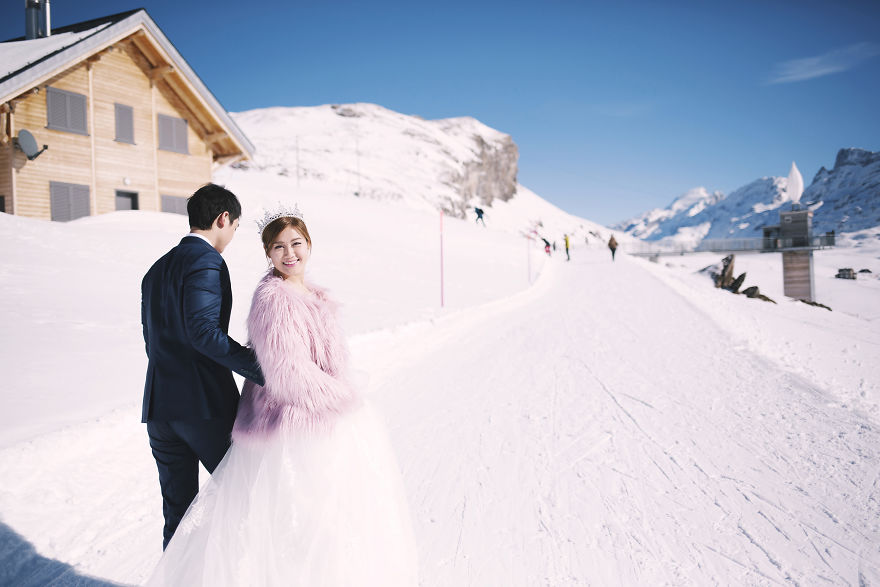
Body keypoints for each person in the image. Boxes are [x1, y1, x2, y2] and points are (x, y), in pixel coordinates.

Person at [145, 204, 418, 586]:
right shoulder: (274, 298)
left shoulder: (314, 294)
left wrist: (339, 391)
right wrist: (344, 399)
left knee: (333, 522)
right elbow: (288, 373)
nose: (289, 254)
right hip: (291, 424)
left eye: (296, 243)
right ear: (268, 254)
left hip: (317, 417)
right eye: (278, 247)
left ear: (309, 245)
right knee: (298, 523)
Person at [141, 183, 264, 550]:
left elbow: (153, 343)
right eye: (235, 228)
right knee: (245, 501)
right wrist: (266, 369)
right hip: (204, 408)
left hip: (160, 408)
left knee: (177, 518)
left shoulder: (156, 269)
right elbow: (204, 334)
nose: (231, 237)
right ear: (223, 218)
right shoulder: (207, 261)